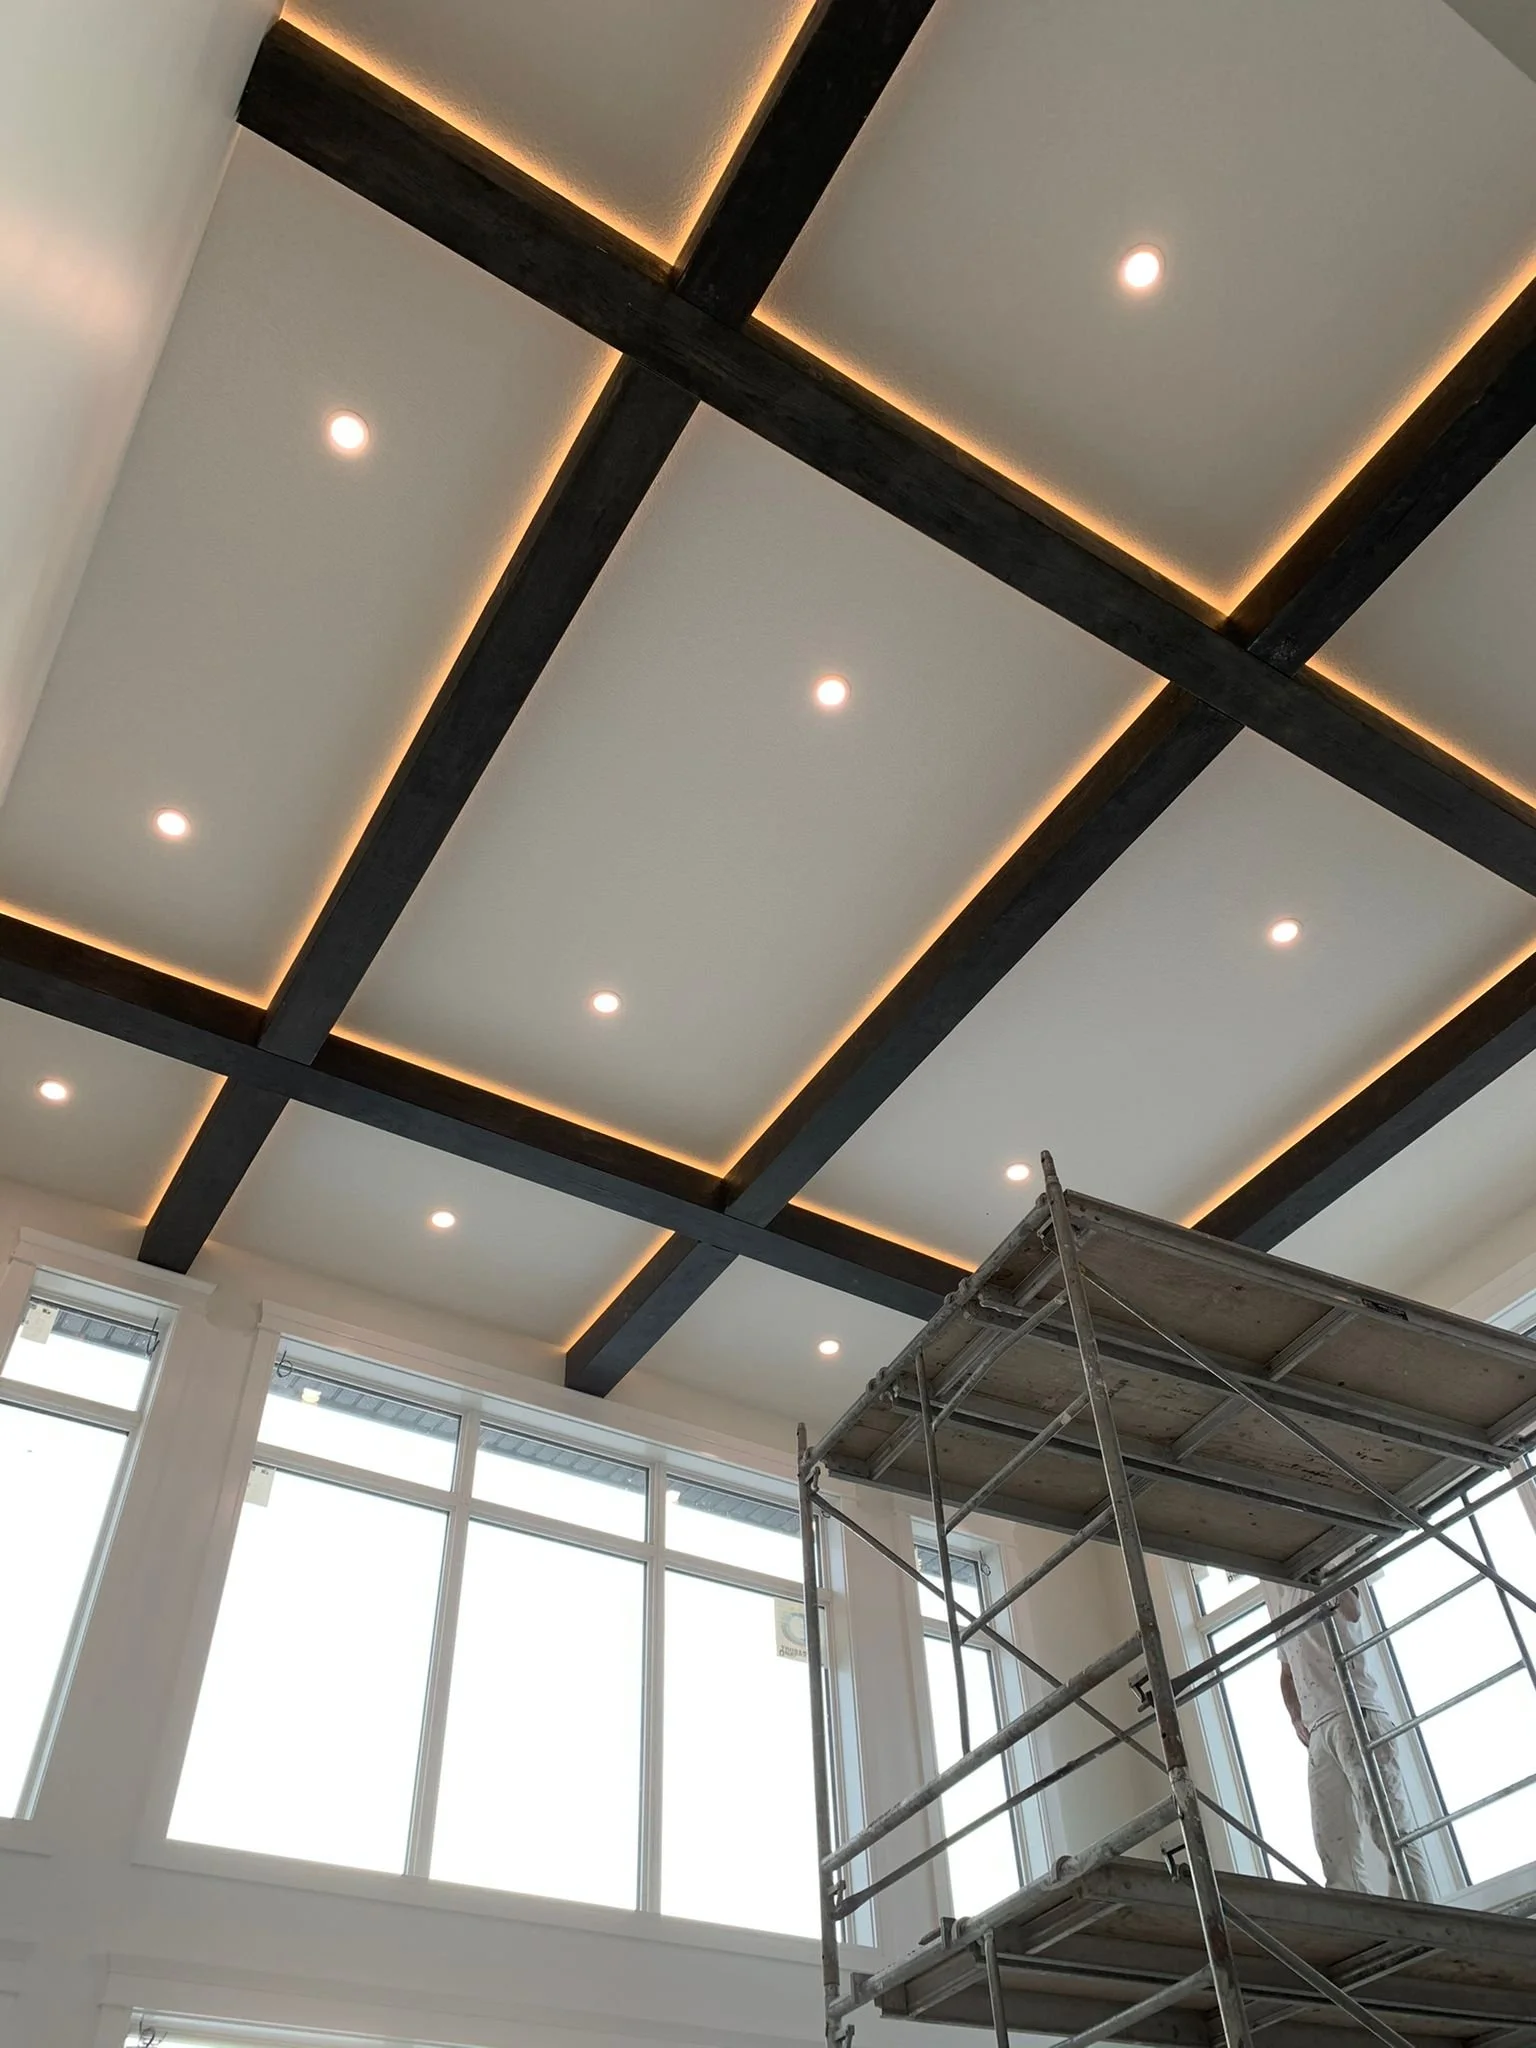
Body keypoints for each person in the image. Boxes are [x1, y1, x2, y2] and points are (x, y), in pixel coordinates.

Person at [1261, 1581, 1434, 1899]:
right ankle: (1363, 1925)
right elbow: (1286, 1672)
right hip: (1319, 1730)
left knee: (1387, 1825)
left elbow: (1353, 1611)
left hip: (1355, 1712)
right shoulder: (1284, 1604)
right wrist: (1295, 1717)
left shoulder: (1324, 1571)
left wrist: (1325, 1582)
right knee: (1332, 1840)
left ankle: (1421, 1916)